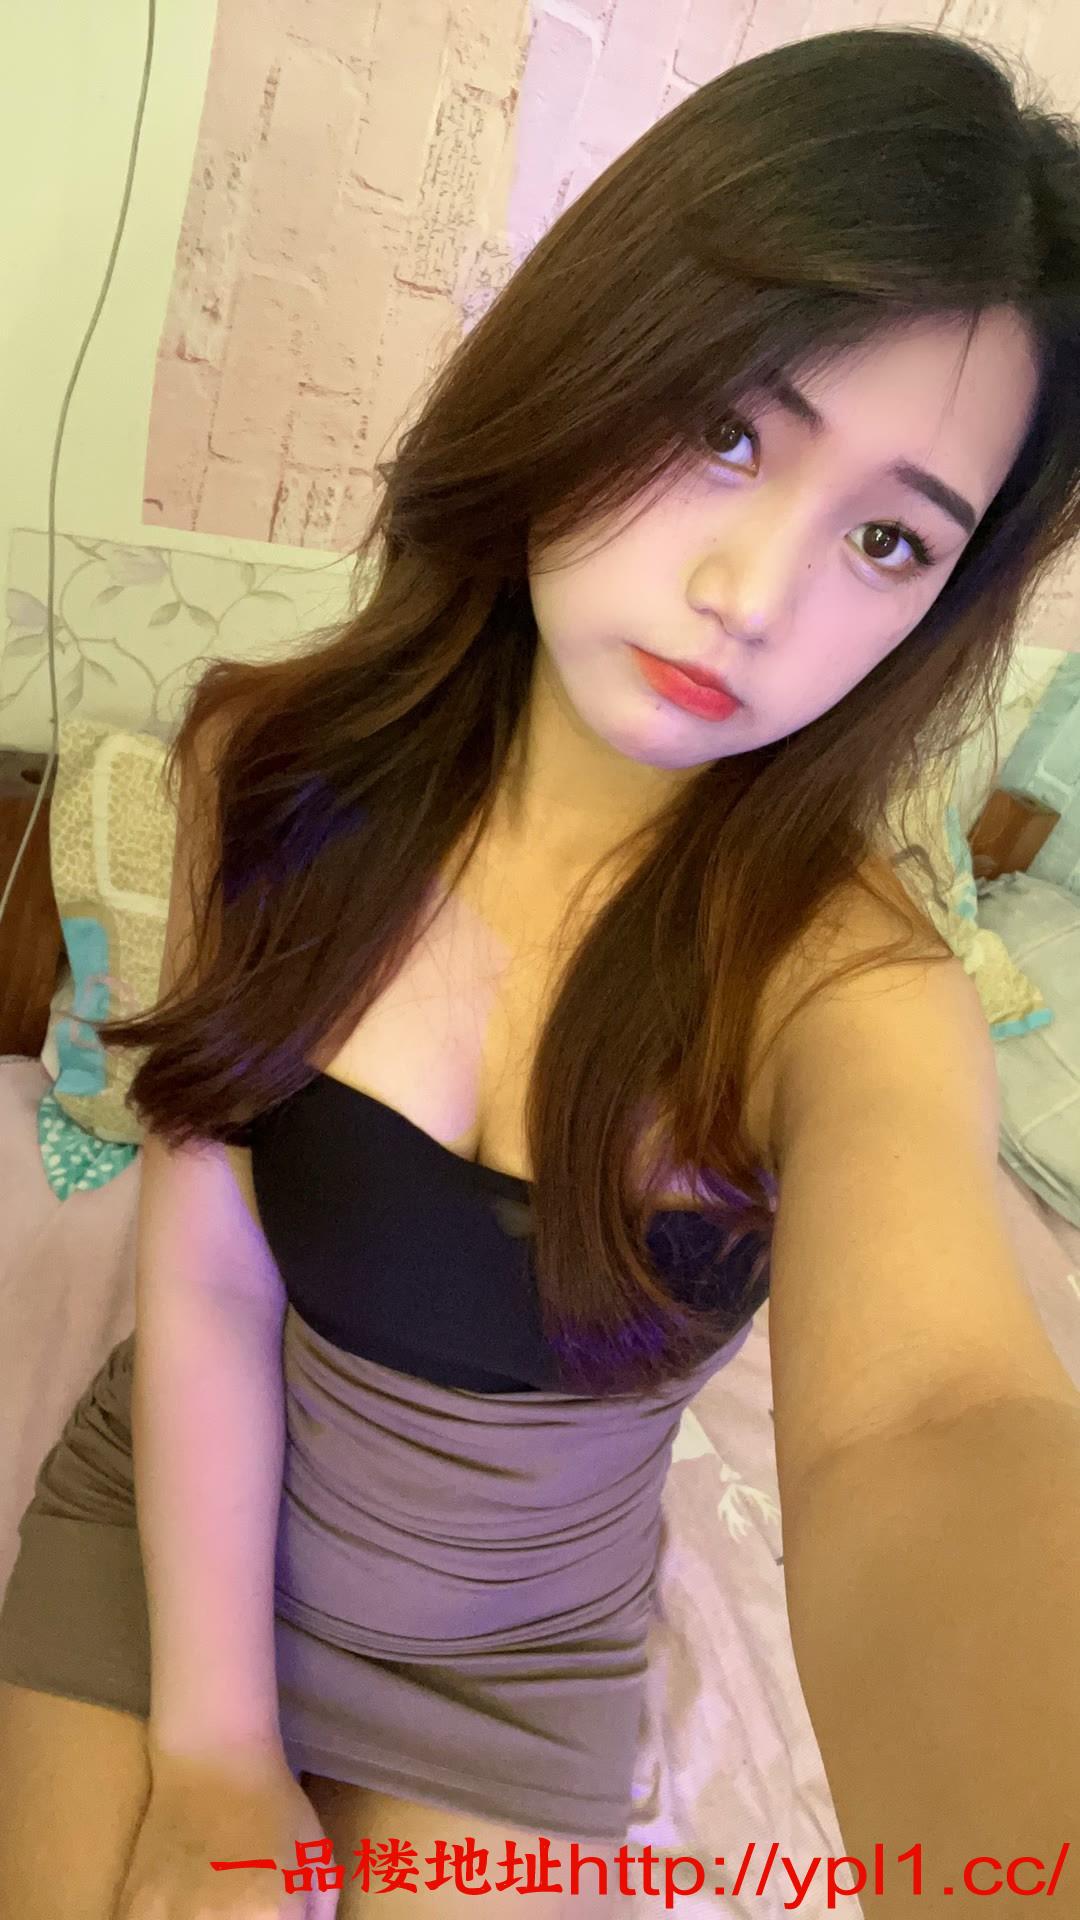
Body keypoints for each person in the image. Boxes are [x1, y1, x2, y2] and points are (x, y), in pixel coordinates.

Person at [3, 22, 1080, 1920]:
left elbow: (933, 1423)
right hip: (183, 1541)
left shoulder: (850, 988)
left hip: (509, 1666)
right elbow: (211, 1270)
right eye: (728, 428)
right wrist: (217, 1750)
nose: (756, 596)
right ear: (594, 355)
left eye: (888, 536)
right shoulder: (273, 766)